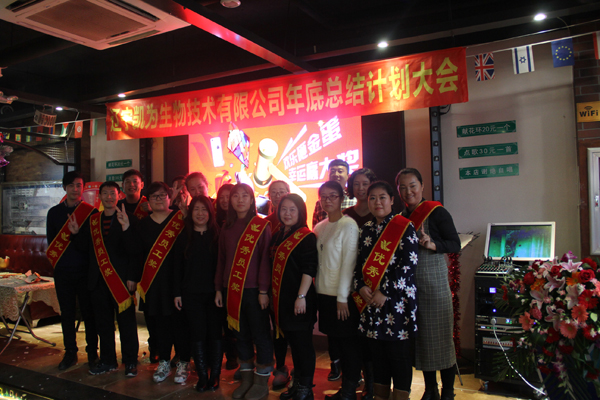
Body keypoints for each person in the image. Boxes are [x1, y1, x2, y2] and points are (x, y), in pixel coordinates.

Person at [396, 168, 461, 400]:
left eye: (412, 186)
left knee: (441, 339)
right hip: (411, 286)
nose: (408, 191)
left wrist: (433, 244)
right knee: (422, 340)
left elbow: (455, 244)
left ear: (422, 186)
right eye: (403, 187)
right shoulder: (400, 218)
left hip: (434, 283)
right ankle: (430, 389)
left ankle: (448, 391)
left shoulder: (436, 211)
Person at [353, 181, 418, 400]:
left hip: (397, 303)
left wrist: (386, 291)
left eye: (382, 197)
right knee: (377, 355)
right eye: (372, 198)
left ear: (391, 200)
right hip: (371, 303)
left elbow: (408, 265)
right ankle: (380, 395)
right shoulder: (365, 229)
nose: (377, 202)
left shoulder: (404, 226)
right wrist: (360, 286)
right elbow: (358, 265)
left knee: (398, 356)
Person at [68, 181, 140, 377]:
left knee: (127, 324)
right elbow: (85, 248)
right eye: (105, 193)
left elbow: (135, 251)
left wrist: (133, 277)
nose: (109, 197)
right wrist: (75, 234)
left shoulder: (130, 219)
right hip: (98, 282)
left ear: (119, 196)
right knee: (104, 324)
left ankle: (130, 361)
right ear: (99, 196)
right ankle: (108, 360)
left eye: (113, 193)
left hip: (121, 281)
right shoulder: (93, 220)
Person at [215, 183, 274, 400]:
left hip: (255, 292)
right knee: (240, 336)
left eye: (245, 196)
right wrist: (218, 289)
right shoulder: (226, 227)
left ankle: (261, 382)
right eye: (235, 196)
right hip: (232, 290)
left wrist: (263, 291)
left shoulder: (261, 226)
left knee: (260, 335)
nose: (240, 200)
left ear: (251, 200)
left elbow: (265, 261)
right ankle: (247, 379)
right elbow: (221, 260)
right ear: (230, 201)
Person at [134, 182, 191, 384]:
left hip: (179, 282)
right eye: (154, 196)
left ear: (169, 197)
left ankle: (183, 362)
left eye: (162, 195)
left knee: (181, 324)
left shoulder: (180, 219)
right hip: (154, 284)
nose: (158, 199)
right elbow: (137, 254)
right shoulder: (142, 224)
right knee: (160, 326)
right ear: (148, 201)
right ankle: (164, 361)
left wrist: (187, 216)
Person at [46, 171, 98, 370]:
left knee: (88, 313)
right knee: (67, 313)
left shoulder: (91, 212)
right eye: (71, 186)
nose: (75, 189)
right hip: (63, 272)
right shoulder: (54, 213)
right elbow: (52, 244)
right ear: (64, 188)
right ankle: (70, 353)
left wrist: (76, 235)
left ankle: (92, 353)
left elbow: (92, 246)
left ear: (83, 188)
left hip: (84, 271)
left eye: (79, 185)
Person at [313, 181, 361, 400]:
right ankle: (345, 387)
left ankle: (349, 389)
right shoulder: (319, 227)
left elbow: (349, 263)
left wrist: (342, 297)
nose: (328, 200)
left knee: (348, 344)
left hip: (342, 297)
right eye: (323, 196)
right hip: (323, 294)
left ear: (342, 198)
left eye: (333, 196)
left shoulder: (348, 225)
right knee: (336, 342)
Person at [271, 194, 318, 400]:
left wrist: (301, 295)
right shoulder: (278, 234)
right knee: (294, 346)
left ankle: (306, 388)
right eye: (284, 209)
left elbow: (309, 268)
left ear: (300, 212)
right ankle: (297, 384)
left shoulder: (306, 237)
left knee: (303, 345)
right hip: (283, 301)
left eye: (292, 209)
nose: (287, 213)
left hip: (300, 300)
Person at [174, 195, 223, 391]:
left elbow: (222, 266)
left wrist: (219, 290)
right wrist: (177, 293)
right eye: (196, 209)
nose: (200, 213)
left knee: (215, 333)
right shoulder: (183, 236)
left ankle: (215, 375)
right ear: (190, 213)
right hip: (191, 294)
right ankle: (202, 376)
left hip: (214, 295)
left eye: (204, 209)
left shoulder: (217, 236)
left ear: (210, 213)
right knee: (197, 333)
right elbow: (176, 268)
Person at [265, 180, 292, 389]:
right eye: (274, 192)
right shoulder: (264, 223)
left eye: (282, 192)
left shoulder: (297, 223)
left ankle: (298, 372)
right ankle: (278, 365)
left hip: (290, 287)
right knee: (274, 329)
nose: (278, 195)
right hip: (269, 285)